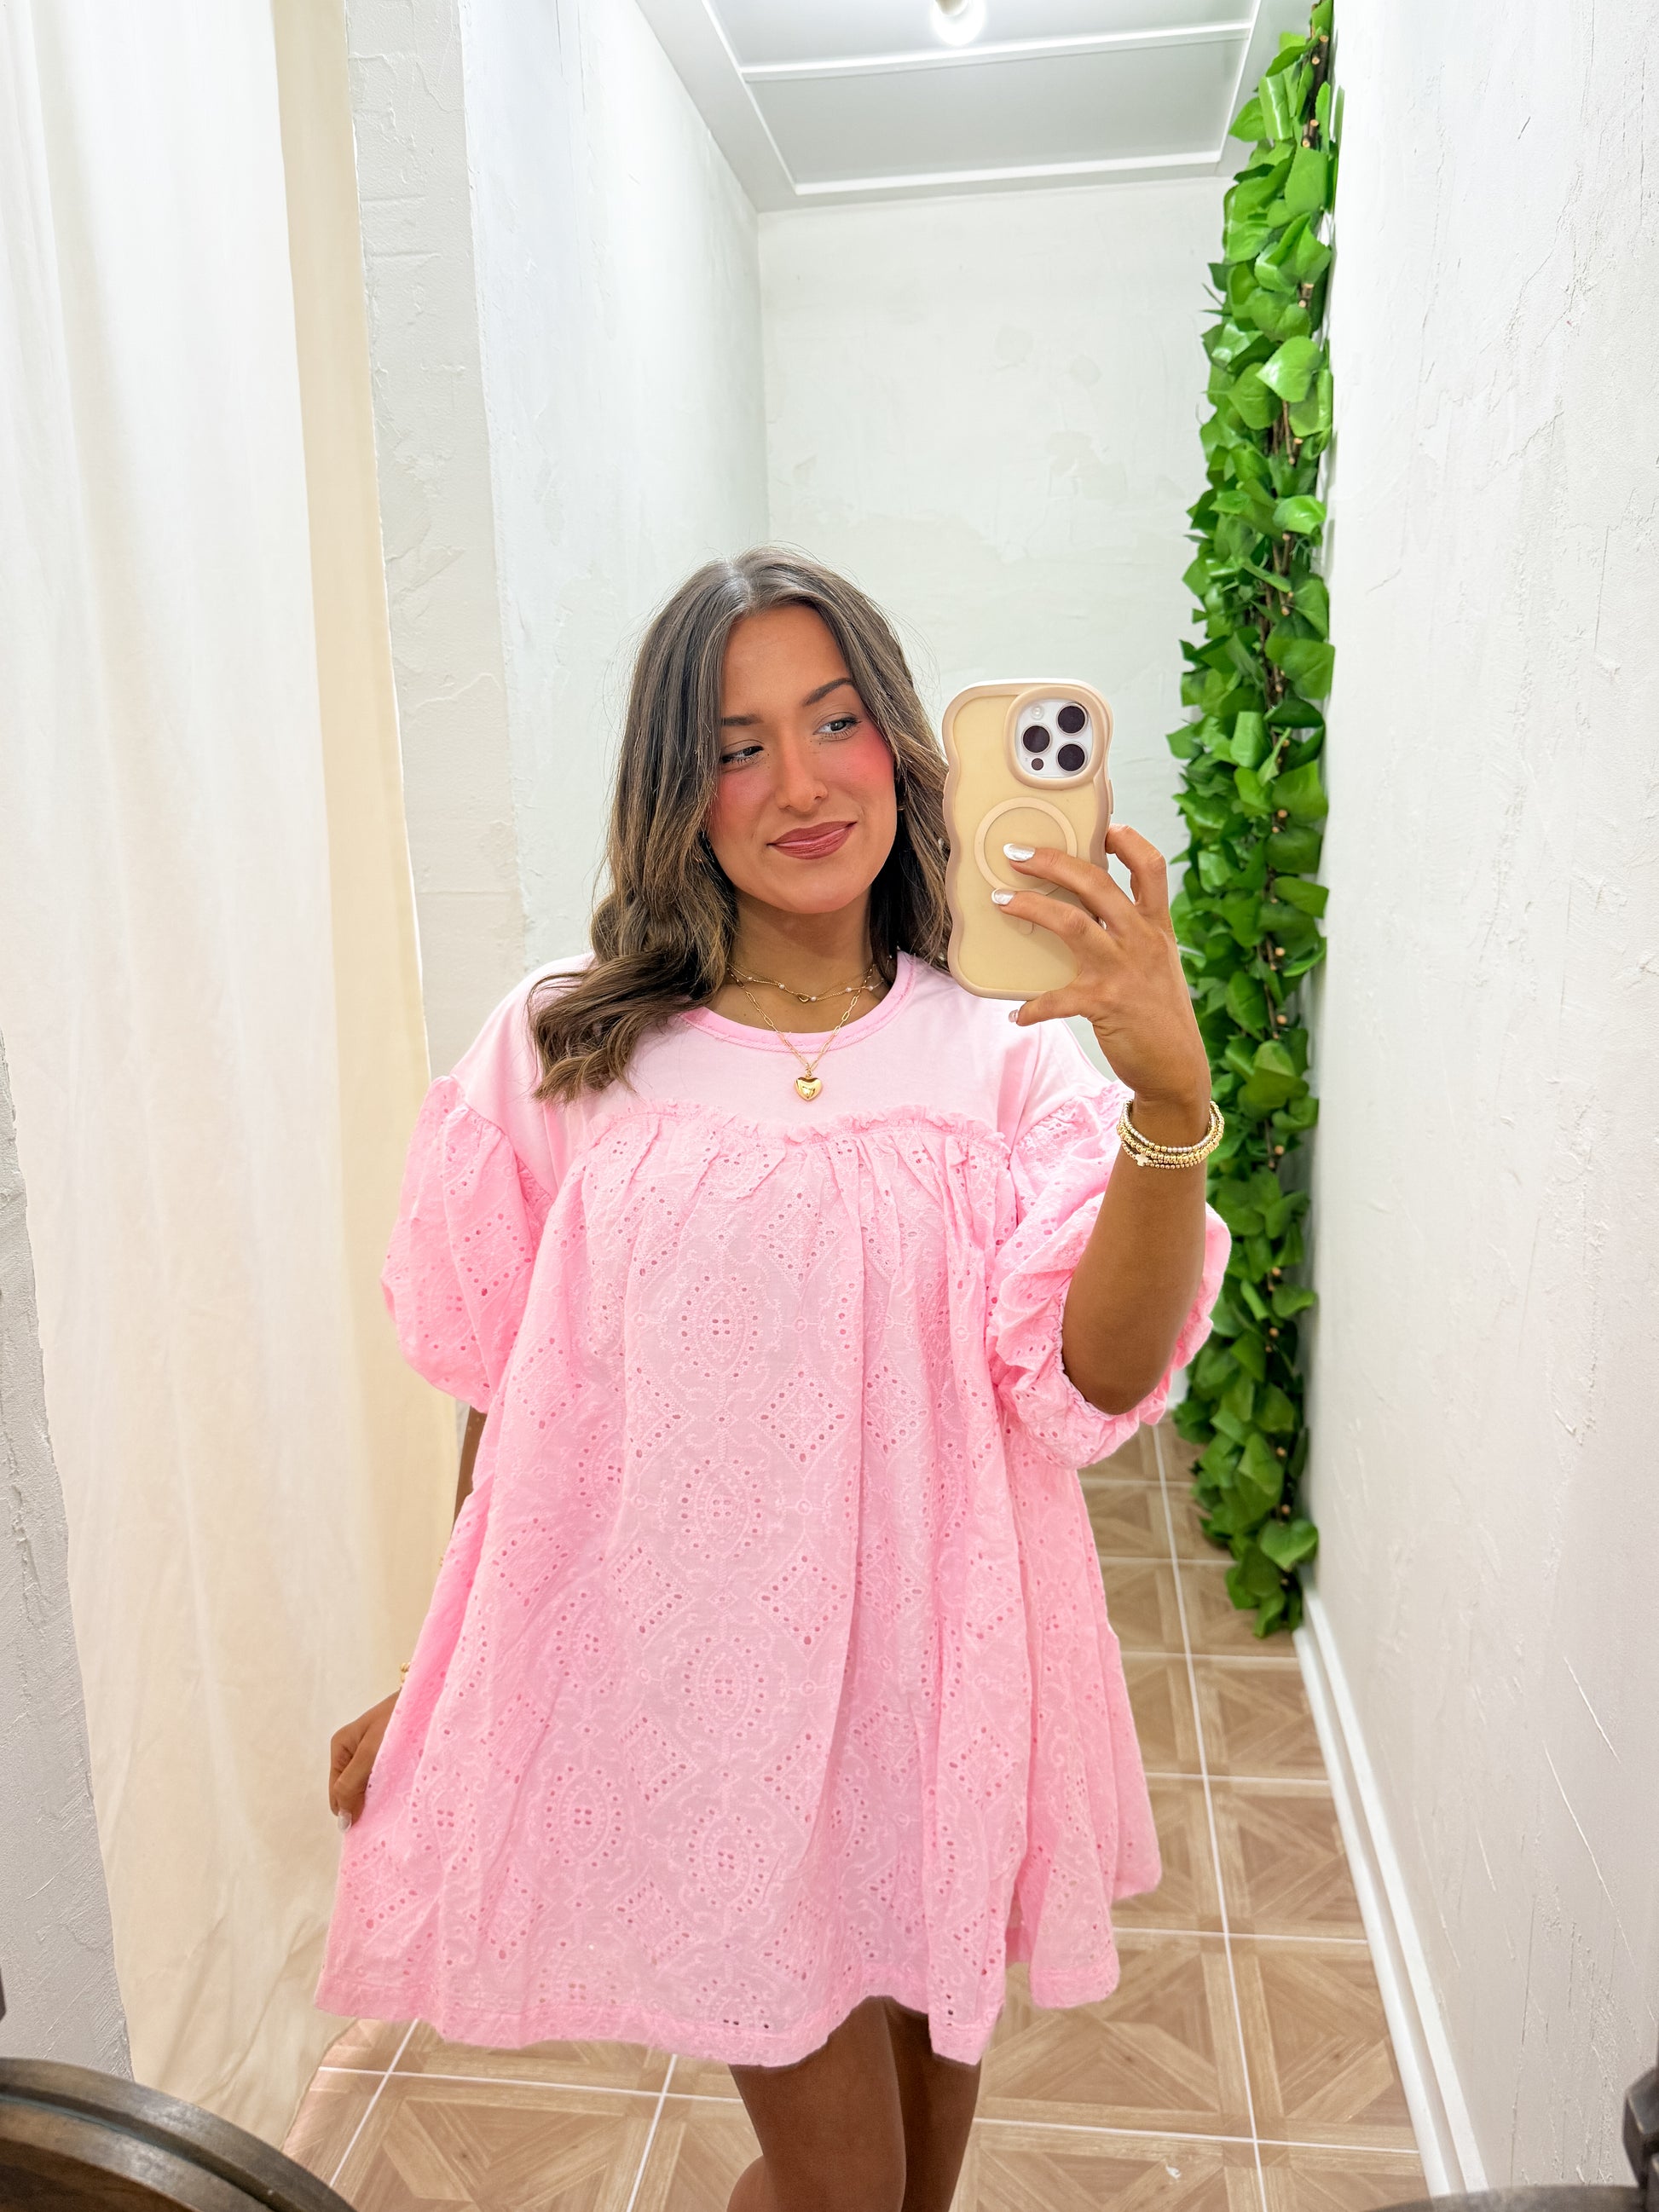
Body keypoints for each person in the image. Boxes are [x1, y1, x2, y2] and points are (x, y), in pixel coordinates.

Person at [319, 549, 1228, 2212]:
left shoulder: (1002, 1051)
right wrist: (435, 1675)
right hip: (710, 1707)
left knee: (914, 2190)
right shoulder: (569, 1047)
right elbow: (513, 1399)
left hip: (937, 1691)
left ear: (902, 743)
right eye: (737, 746)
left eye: (834, 722)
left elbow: (1093, 1379)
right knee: (846, 2194)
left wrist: (1168, 1103)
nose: (800, 783)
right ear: (675, 787)